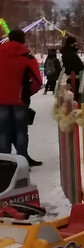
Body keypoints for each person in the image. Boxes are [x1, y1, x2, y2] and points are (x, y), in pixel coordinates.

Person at [0, 29, 43, 167]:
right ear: (22, 39)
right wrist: (27, 92)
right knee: (21, 132)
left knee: (3, 131)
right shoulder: (27, 58)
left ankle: (4, 162)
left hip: (0, 100)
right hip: (20, 100)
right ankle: (22, 162)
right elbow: (37, 82)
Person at [60, 36, 84, 101]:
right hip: (74, 75)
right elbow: (78, 65)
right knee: (75, 93)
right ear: (72, 44)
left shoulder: (66, 52)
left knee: (71, 93)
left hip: (70, 75)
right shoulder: (71, 53)